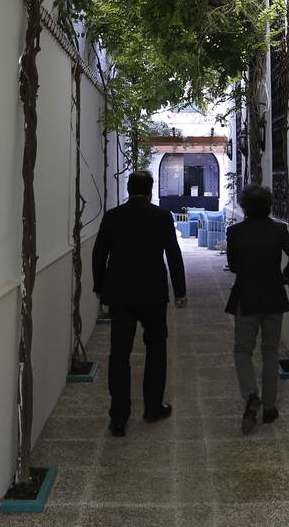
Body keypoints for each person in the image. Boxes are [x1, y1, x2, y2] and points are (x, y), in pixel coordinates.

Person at [92, 170, 187, 437]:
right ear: (151, 190)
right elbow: (174, 254)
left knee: (119, 354)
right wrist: (180, 290)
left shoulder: (112, 217)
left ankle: (119, 417)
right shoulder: (161, 216)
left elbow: (99, 254)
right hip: (153, 295)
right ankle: (153, 407)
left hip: (120, 296)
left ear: (128, 188)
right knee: (156, 349)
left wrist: (99, 287)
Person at [225, 184, 289, 434]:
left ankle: (251, 396)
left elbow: (234, 266)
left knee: (242, 350)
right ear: (269, 205)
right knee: (270, 351)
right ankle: (269, 407)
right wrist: (285, 276)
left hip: (246, 297)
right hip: (273, 297)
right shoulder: (279, 230)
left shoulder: (235, 232)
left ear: (244, 206)